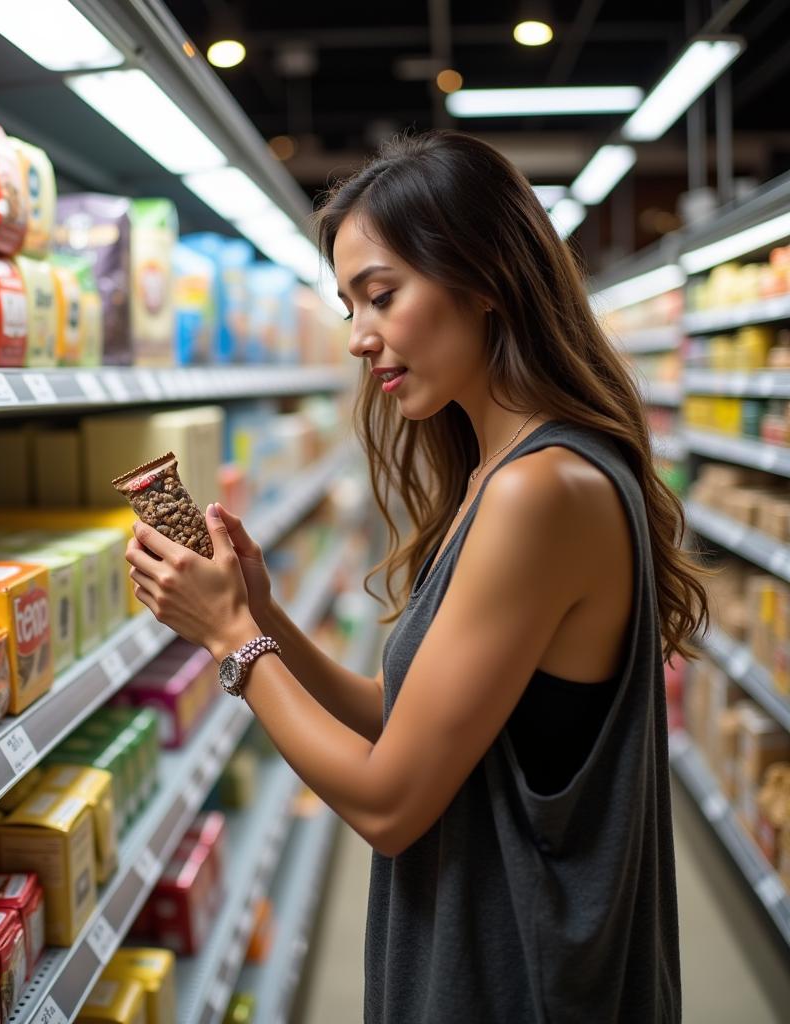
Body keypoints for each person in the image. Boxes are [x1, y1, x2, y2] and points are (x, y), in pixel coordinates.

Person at [124, 131, 706, 1023]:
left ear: (485, 280)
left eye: (381, 296)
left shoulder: (540, 491)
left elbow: (390, 803)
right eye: (350, 305)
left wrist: (230, 641)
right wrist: (266, 616)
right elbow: (411, 720)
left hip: (517, 986)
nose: (359, 338)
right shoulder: (500, 473)